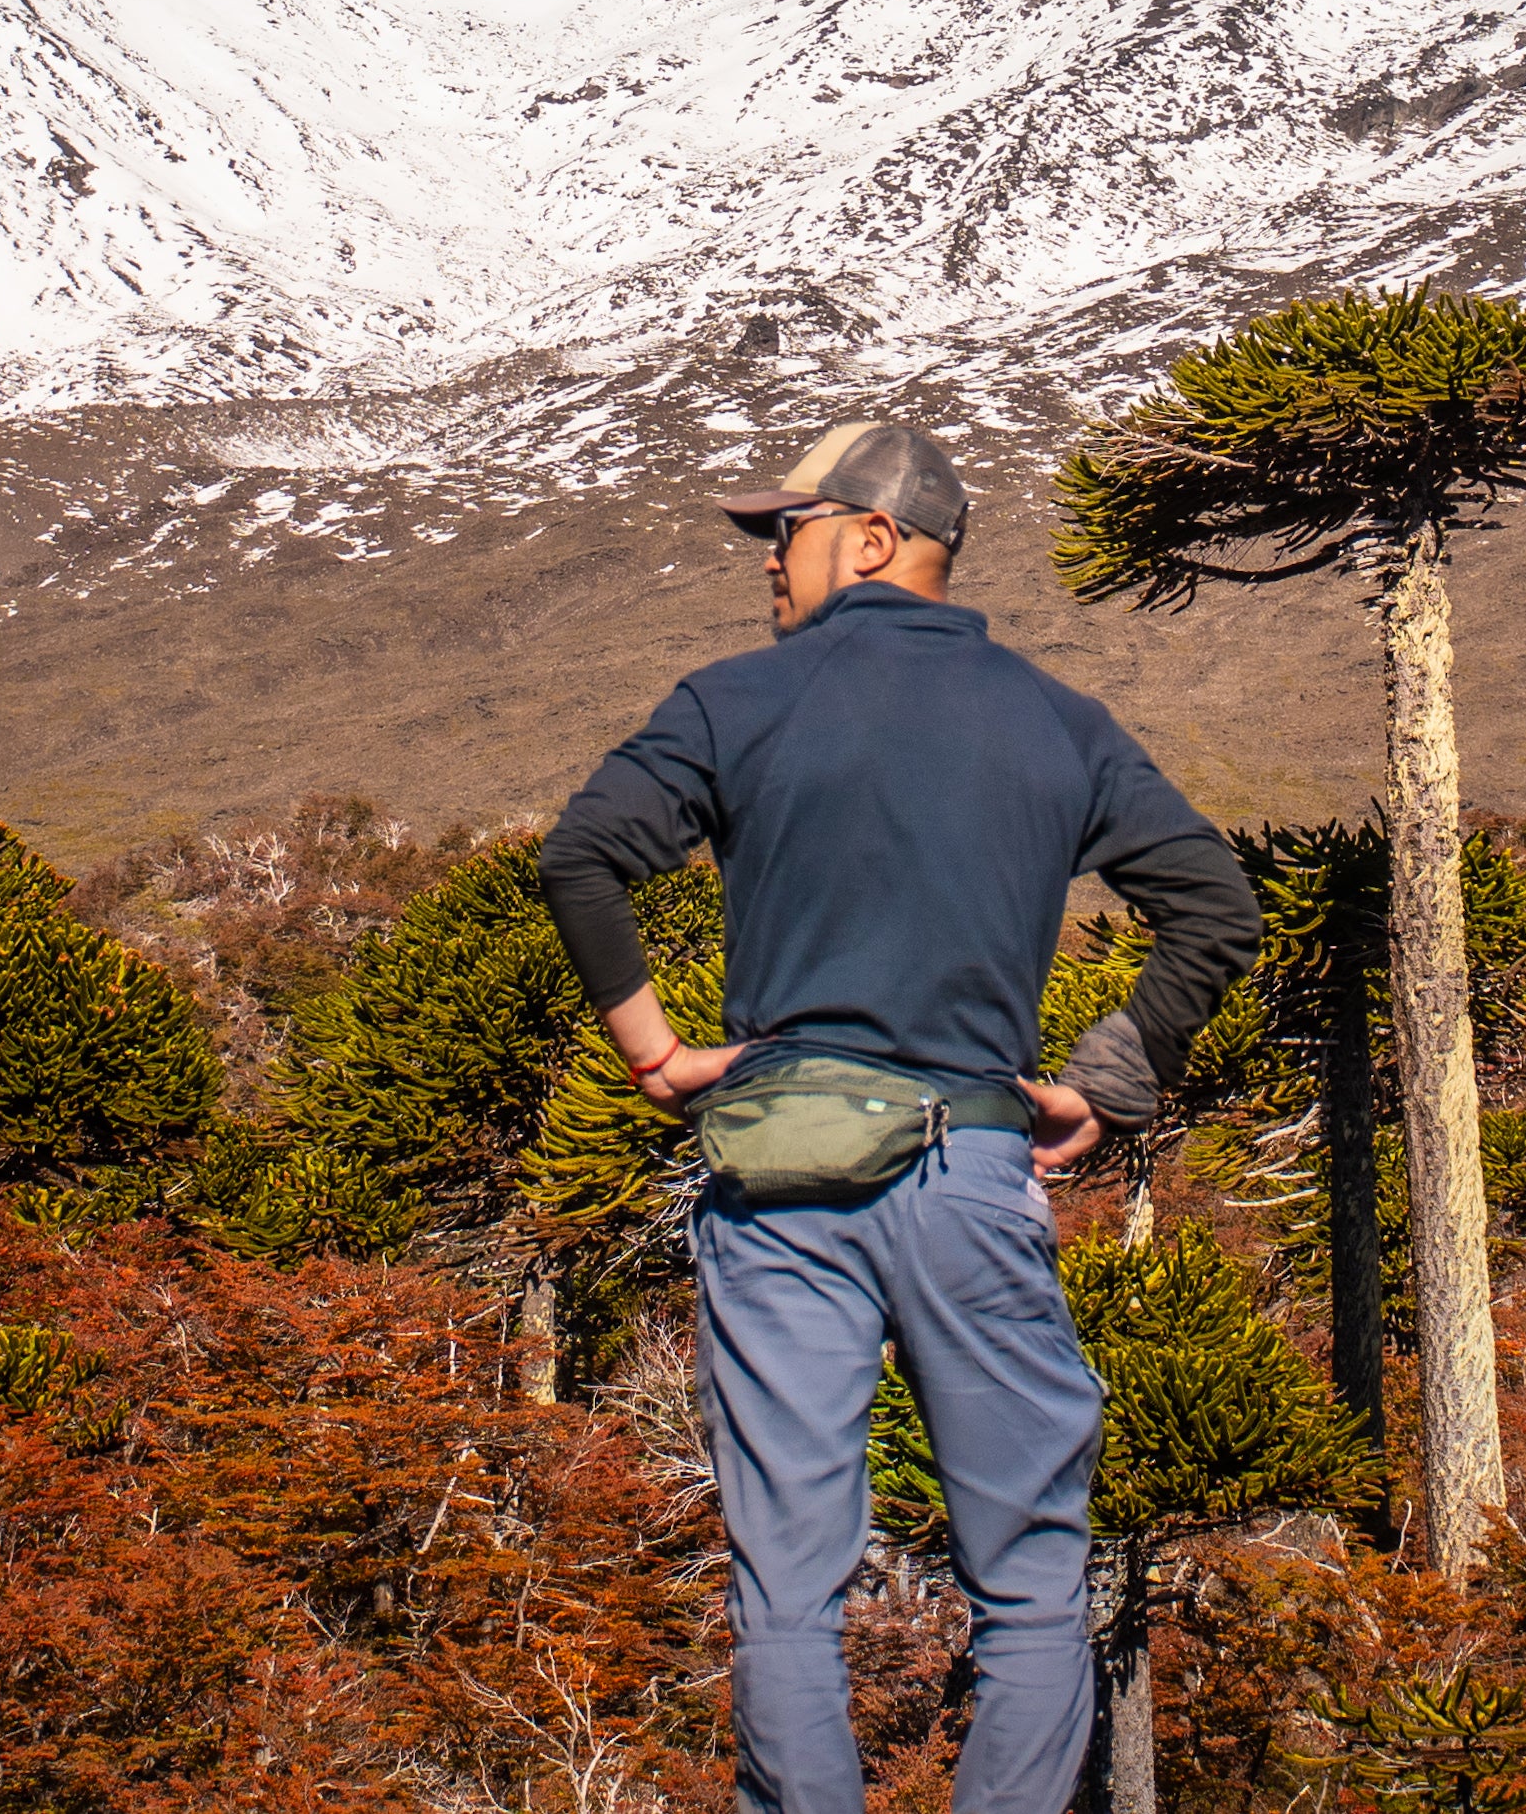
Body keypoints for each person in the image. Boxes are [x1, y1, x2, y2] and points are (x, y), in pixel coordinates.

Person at [539, 417, 1261, 1814]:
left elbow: (582, 857)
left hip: (780, 1176)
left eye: (784, 527)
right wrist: (1107, 1076)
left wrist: (657, 1055)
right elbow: (1213, 906)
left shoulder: (733, 700)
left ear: (870, 537)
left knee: (788, 1582)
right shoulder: (1060, 720)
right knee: (1035, 1582)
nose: (767, 558)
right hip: (975, 1170)